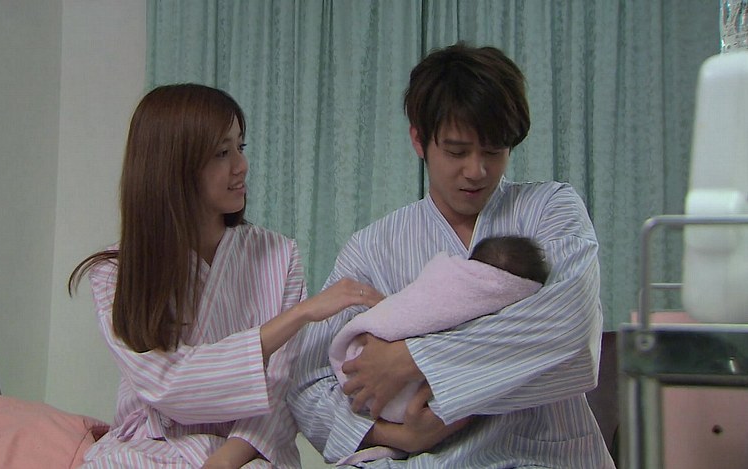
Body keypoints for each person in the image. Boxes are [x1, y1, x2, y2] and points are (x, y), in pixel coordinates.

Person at [288, 43, 615, 468]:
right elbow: (308, 386)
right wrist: (397, 434)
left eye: (494, 150)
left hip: (547, 454)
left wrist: (410, 360)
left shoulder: (551, 209)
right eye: (457, 152)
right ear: (419, 141)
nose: (477, 171)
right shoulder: (372, 248)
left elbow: (571, 330)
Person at [68, 83, 382, 469]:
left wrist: (224, 462)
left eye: (240, 147)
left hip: (248, 453)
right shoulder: (116, 272)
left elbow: (279, 389)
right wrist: (298, 316)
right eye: (222, 152)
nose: (241, 165)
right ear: (173, 166)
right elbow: (168, 385)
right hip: (151, 446)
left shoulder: (278, 255)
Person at [328, 236, 549, 465]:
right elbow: (313, 394)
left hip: (497, 448)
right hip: (373, 382)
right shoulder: (367, 247)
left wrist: (413, 356)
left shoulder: (552, 224)